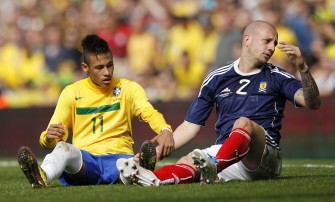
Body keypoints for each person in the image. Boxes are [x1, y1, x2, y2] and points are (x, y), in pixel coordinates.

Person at [116, 20, 321, 186]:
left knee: (243, 123)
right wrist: (161, 148)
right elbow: (189, 126)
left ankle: (213, 166)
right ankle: (146, 178)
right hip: (227, 154)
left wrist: (303, 67)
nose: (272, 48)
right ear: (247, 39)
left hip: (263, 156)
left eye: (274, 44)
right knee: (186, 161)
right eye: (267, 41)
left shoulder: (278, 76)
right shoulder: (216, 78)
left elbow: (312, 103)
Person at [17, 34, 174, 188]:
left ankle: (136, 172)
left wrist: (165, 129)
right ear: (85, 68)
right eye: (99, 67)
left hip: (118, 158)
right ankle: (43, 176)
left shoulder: (128, 88)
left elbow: (149, 112)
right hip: (86, 163)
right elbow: (50, 136)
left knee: (128, 165)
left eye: (110, 65)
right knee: (62, 148)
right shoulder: (72, 92)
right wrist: (48, 138)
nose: (106, 72)